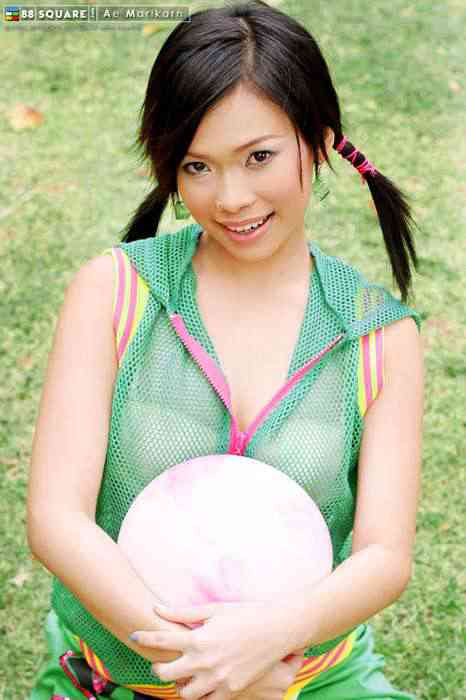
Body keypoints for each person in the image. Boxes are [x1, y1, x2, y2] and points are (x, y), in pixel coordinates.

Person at [27, 1, 424, 698]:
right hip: (122, 679)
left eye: (258, 157)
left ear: (318, 142)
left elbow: (384, 555)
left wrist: (265, 648)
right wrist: (207, 670)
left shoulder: (377, 334)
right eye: (198, 166)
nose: (232, 198)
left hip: (305, 681)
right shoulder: (114, 293)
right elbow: (58, 521)